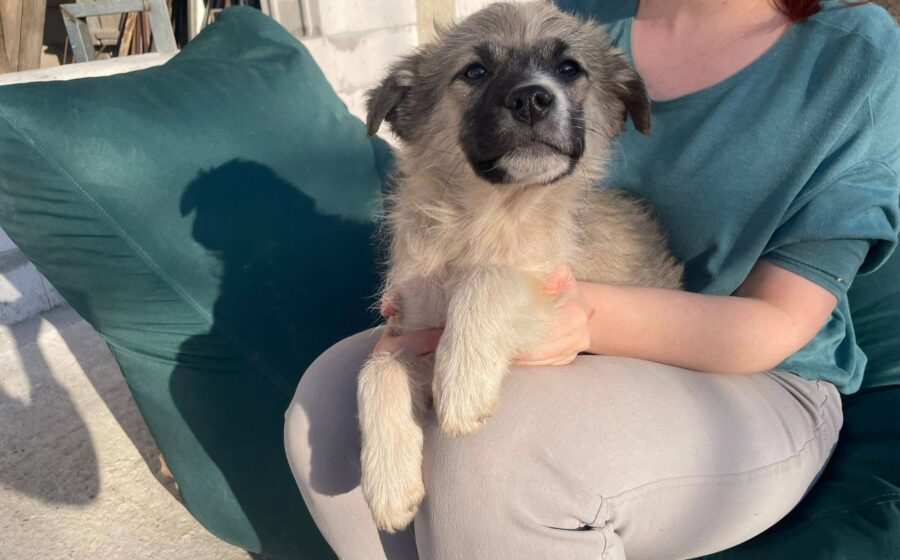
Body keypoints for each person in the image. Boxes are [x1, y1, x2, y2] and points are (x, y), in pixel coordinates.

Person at [284, 0, 900, 558]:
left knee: (493, 456)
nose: (531, 94)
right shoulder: (579, 13)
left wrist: (575, 316)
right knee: (331, 398)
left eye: (566, 72)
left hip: (750, 378)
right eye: (477, 73)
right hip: (573, 334)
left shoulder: (852, 54)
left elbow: (780, 321)